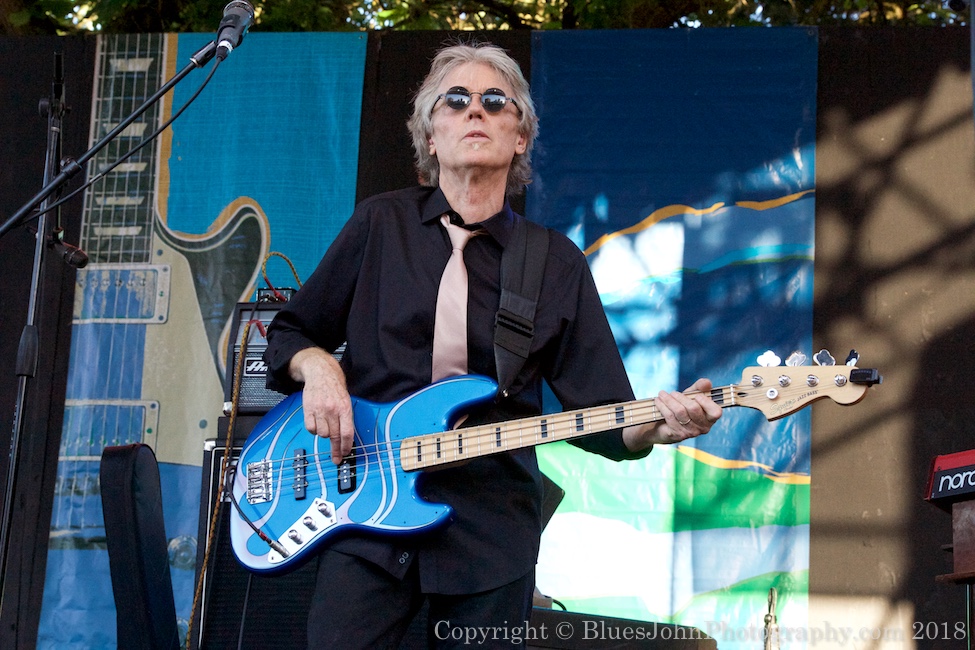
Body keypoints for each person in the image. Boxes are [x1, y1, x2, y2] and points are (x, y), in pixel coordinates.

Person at [263, 40, 722, 649]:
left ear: (520, 136)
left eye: (494, 101)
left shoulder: (554, 264)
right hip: (364, 514)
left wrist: (660, 427)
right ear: (431, 136)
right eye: (455, 101)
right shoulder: (381, 224)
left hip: (490, 534)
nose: (474, 110)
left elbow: (606, 416)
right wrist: (320, 367)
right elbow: (292, 331)